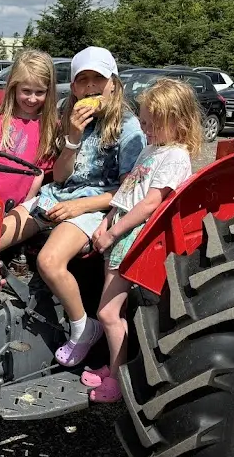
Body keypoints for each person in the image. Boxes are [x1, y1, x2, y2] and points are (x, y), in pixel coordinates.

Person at [0, 46, 146, 368]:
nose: (90, 87)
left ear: (113, 84)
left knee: (50, 261)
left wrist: (81, 207)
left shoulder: (128, 128)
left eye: (98, 79)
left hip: (96, 205)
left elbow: (129, 191)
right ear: (74, 87)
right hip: (58, 194)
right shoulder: (71, 116)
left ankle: (83, 328)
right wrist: (74, 137)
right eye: (83, 81)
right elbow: (61, 175)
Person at [82, 77, 203, 403]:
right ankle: (114, 366)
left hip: (135, 234)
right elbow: (128, 192)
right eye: (145, 122)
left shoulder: (175, 156)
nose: (146, 129)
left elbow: (151, 203)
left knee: (108, 313)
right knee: (110, 310)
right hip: (120, 225)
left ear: (177, 121)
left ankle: (119, 381)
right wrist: (107, 219)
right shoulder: (153, 149)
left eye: (152, 124)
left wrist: (114, 232)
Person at [0, 49, 60, 210]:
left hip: (16, 209)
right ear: (14, 86)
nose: (32, 99)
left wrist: (24, 207)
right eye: (26, 91)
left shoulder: (50, 127)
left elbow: (38, 173)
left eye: (40, 92)